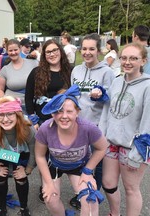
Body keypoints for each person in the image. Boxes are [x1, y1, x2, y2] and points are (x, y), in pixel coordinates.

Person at [35, 85, 108, 216]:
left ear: (77, 112)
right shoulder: (45, 129)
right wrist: (48, 183)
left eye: (69, 111)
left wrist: (88, 171)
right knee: (50, 198)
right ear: (52, 112)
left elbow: (102, 147)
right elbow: (40, 156)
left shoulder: (88, 128)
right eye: (58, 111)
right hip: (56, 165)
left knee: (90, 199)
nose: (64, 116)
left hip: (80, 166)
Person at [99, 43, 150, 216]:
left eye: (134, 58)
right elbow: (107, 111)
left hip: (134, 147)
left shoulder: (148, 86)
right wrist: (103, 135)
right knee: (108, 183)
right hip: (112, 142)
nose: (127, 62)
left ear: (143, 61)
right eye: (124, 58)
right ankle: (115, 213)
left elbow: (148, 121)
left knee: (131, 188)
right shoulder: (116, 81)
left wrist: (139, 152)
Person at [70, 33, 115, 209]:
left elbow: (111, 99)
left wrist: (102, 95)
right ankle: (83, 194)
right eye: (85, 48)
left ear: (98, 51)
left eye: (91, 49)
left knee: (96, 164)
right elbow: (74, 95)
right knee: (82, 162)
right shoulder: (76, 70)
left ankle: (92, 198)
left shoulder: (107, 72)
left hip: (97, 126)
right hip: (78, 125)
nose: (87, 52)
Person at [0, 96, 36, 216]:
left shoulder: (27, 126)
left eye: (10, 114)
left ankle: (24, 208)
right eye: (1, 115)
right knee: (1, 177)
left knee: (21, 178)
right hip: (1, 154)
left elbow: (35, 151)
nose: (5, 119)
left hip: (21, 154)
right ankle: (2, 207)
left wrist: (27, 170)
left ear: (18, 115)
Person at [25, 39, 71, 129]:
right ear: (44, 55)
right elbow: (28, 98)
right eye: (48, 52)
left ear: (60, 51)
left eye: (55, 50)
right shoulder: (36, 72)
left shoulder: (71, 71)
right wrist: (33, 121)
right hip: (42, 121)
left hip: (65, 120)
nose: (52, 54)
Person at [0, 39, 38, 112]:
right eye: (10, 50)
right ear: (7, 51)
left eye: (15, 50)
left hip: (33, 105)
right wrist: (5, 101)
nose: (13, 53)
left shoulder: (33, 63)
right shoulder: (5, 69)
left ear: (20, 48)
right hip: (13, 107)